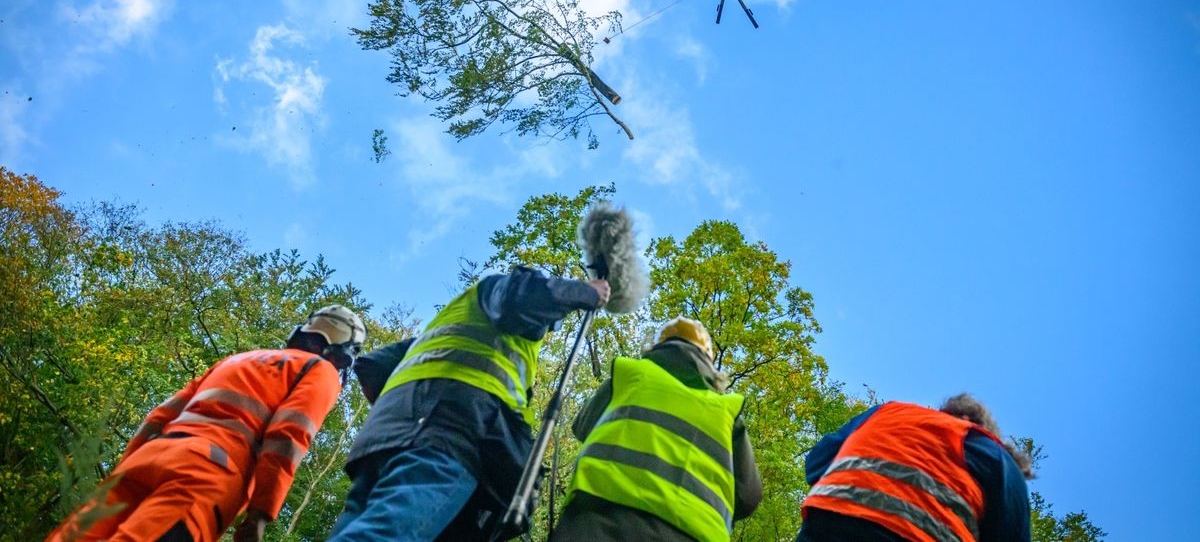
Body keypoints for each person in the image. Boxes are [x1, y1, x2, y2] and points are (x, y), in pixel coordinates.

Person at [329, 266, 609, 541]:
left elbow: (372, 365)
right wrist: (585, 291)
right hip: (448, 428)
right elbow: (527, 294)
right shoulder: (503, 291)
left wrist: (403, 415)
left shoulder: (446, 328)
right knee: (390, 533)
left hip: (385, 437)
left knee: (365, 527)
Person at [48, 305, 366, 542]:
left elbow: (159, 417)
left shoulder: (236, 360)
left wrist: (121, 472)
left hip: (144, 461)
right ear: (341, 352)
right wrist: (259, 514)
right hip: (204, 475)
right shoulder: (319, 371)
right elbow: (287, 436)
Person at [551, 317, 763, 542]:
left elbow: (583, 427)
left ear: (656, 347)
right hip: (691, 534)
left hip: (597, 521)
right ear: (709, 361)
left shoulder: (630, 374)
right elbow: (748, 496)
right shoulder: (726, 411)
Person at [796, 393, 1033, 542]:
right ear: (981, 429)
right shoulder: (998, 457)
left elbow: (817, 463)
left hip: (828, 521)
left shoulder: (888, 412)